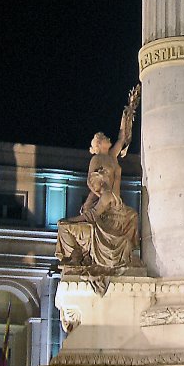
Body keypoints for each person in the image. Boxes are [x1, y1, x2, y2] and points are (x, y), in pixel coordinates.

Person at [55, 87, 140, 270]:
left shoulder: (112, 156)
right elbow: (90, 179)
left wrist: (129, 110)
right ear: (99, 143)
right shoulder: (97, 159)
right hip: (105, 197)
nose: (110, 139)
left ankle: (128, 256)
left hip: (115, 201)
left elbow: (123, 136)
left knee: (133, 215)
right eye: (106, 139)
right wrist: (100, 188)